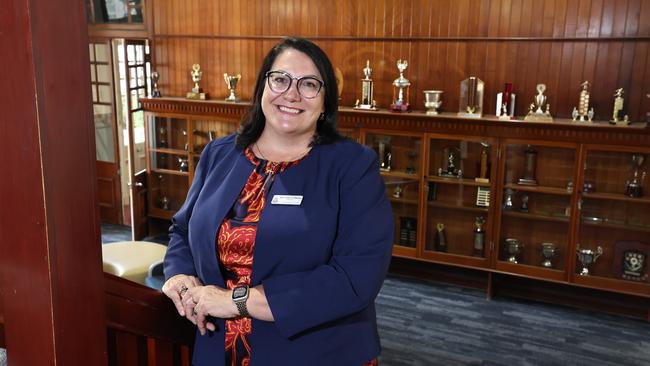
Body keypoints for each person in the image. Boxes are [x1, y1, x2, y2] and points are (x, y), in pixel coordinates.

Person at [162, 37, 394, 366]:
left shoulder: (353, 166)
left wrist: (236, 301)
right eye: (280, 79)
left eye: (309, 84)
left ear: (326, 101)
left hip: (315, 352)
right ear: (262, 88)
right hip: (216, 346)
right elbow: (183, 230)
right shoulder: (219, 154)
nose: (292, 94)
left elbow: (356, 276)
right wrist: (179, 276)